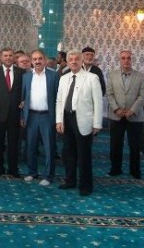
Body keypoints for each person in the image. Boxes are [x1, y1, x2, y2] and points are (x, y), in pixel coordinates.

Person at [56, 50, 103, 196]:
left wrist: (97, 124)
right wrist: (59, 120)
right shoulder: (64, 78)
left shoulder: (92, 78)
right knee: (68, 153)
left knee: (84, 155)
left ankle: (86, 186)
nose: (73, 61)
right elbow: (59, 100)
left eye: (76, 59)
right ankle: (70, 181)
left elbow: (98, 102)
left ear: (81, 61)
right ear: (67, 62)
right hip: (67, 119)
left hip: (84, 120)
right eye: (71, 59)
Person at [107, 50, 144, 179]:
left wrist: (132, 111)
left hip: (135, 116)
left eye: (128, 58)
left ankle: (135, 170)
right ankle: (115, 169)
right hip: (116, 115)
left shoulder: (140, 76)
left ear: (132, 59)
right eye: (123, 58)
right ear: (120, 60)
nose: (126, 60)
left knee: (135, 145)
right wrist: (116, 109)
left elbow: (142, 96)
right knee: (115, 144)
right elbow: (109, 94)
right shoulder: (112, 75)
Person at [21, 49, 59, 186]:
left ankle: (48, 176)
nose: (37, 61)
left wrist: (58, 118)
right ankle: (32, 172)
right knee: (31, 146)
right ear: (31, 61)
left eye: (40, 59)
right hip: (31, 116)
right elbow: (23, 97)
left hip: (47, 116)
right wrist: (22, 116)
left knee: (49, 147)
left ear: (45, 60)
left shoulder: (54, 76)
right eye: (35, 59)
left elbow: (58, 97)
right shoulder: (26, 76)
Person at [0, 48, 25, 178]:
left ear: (14, 57)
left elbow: (25, 91)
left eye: (10, 55)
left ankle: (13, 169)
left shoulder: (21, 72)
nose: (8, 58)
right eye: (5, 56)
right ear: (1, 58)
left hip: (15, 113)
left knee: (13, 143)